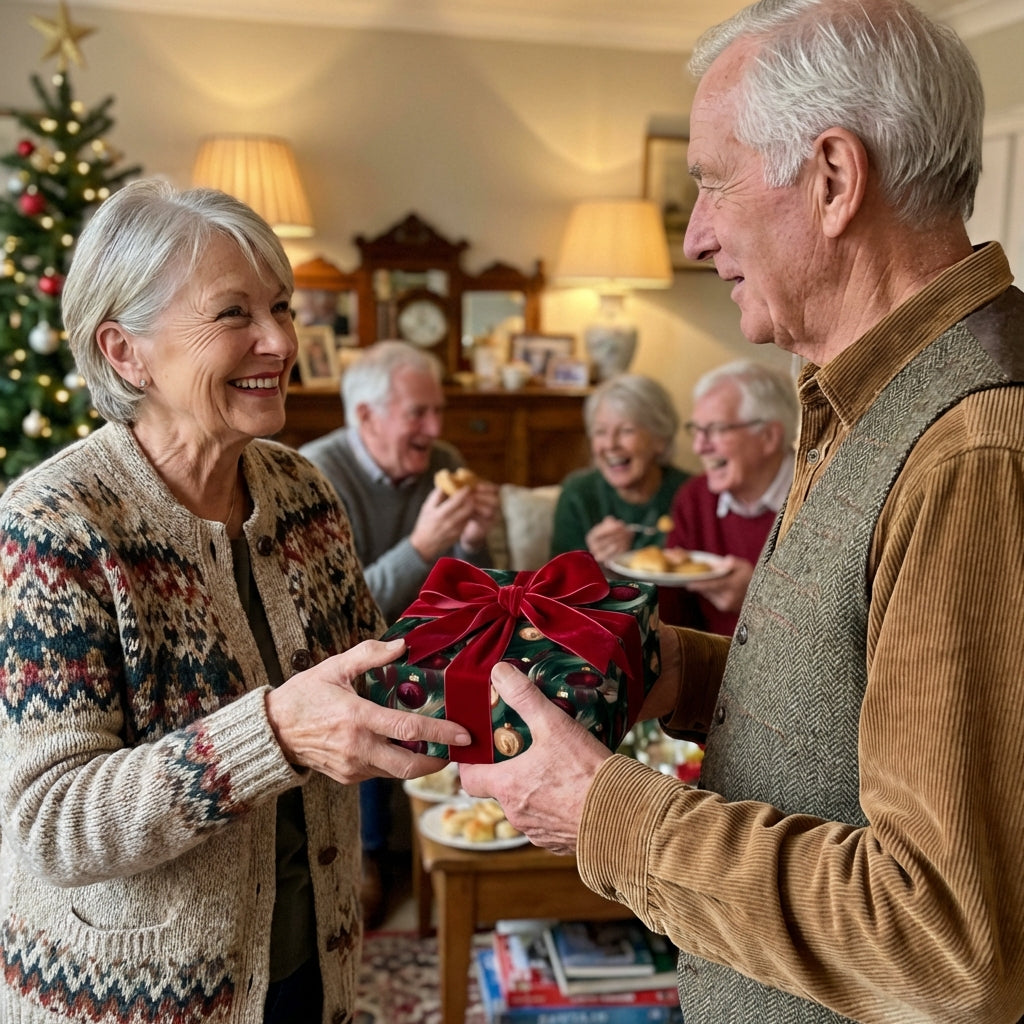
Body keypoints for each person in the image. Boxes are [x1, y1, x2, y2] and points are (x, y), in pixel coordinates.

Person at [460, 1, 1024, 1022]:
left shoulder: (970, 446)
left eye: (713, 182)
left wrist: (604, 811)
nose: (696, 234)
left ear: (833, 180)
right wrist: (669, 668)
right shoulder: (860, 395)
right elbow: (861, 704)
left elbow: (942, 934)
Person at [0, 180, 471, 1024]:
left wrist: (503, 651)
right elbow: (53, 822)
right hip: (127, 1000)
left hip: (309, 973)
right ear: (125, 352)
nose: (282, 340)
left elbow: (369, 685)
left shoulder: (302, 493)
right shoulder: (52, 527)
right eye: (234, 314)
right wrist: (277, 732)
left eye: (282, 308)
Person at [300, 339, 499, 925]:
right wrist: (422, 547)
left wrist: (469, 541)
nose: (435, 429)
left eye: (438, 411)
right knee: (365, 683)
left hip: (431, 640)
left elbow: (476, 586)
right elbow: (337, 613)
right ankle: (368, 858)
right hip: (345, 655)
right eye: (419, 413)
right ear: (366, 416)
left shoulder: (442, 459)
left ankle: (485, 826)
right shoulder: (313, 476)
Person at [661, 359, 797, 635]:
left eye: (716, 430)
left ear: (769, 437)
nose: (699, 446)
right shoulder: (696, 498)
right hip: (709, 665)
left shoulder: (817, 501)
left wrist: (759, 598)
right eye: (697, 430)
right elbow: (675, 616)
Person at [549, 373, 689, 564]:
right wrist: (593, 562)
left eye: (626, 431)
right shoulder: (578, 493)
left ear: (660, 439)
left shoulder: (691, 494)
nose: (610, 444)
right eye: (600, 432)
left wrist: (631, 551)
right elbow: (557, 581)